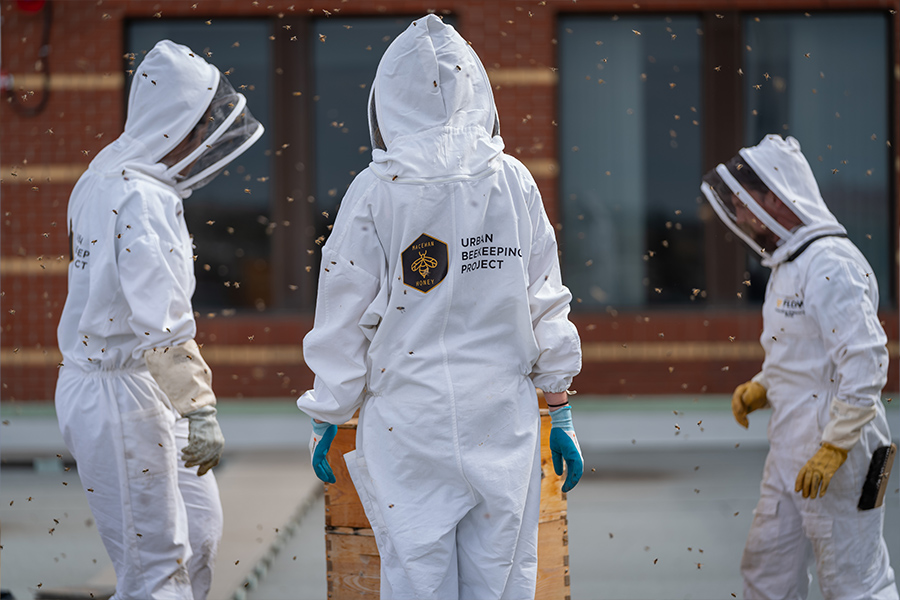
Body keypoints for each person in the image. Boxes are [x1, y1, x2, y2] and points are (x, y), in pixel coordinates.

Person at [297, 14, 583, 600]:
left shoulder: (374, 192)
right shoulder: (514, 182)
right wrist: (560, 407)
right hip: (500, 419)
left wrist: (329, 410)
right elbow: (546, 301)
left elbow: (343, 313)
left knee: (416, 582)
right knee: (501, 582)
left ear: (389, 99)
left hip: (409, 423)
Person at [55, 39, 264, 599]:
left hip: (140, 382)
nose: (205, 137)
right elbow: (163, 324)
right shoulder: (138, 197)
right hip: (117, 390)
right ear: (178, 124)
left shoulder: (106, 172)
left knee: (199, 533)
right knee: (155, 568)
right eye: (201, 125)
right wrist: (199, 408)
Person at [701, 134, 897, 599]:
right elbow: (802, 351)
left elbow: (865, 361)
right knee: (767, 572)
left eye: (744, 205)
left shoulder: (831, 263)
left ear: (775, 197)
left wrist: (835, 447)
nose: (741, 218)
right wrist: (764, 385)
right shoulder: (789, 264)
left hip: (841, 454)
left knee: (855, 582)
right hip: (790, 448)